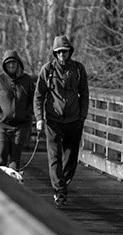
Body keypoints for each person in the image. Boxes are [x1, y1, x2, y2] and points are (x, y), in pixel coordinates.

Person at [34, 34, 89, 207]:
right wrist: (39, 118)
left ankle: (62, 183)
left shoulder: (78, 69)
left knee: (71, 158)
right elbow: (39, 96)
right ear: (55, 53)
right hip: (53, 120)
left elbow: (85, 94)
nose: (62, 55)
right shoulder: (47, 70)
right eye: (59, 52)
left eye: (65, 52)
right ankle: (60, 190)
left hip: (74, 119)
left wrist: (82, 116)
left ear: (70, 52)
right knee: (55, 156)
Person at [0, 49, 36, 175]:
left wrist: (27, 114)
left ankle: (11, 189)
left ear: (18, 64)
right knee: (2, 156)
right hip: (1, 125)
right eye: (8, 63)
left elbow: (34, 100)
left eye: (14, 63)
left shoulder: (27, 80)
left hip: (20, 126)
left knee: (15, 161)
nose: (11, 65)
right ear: (4, 65)